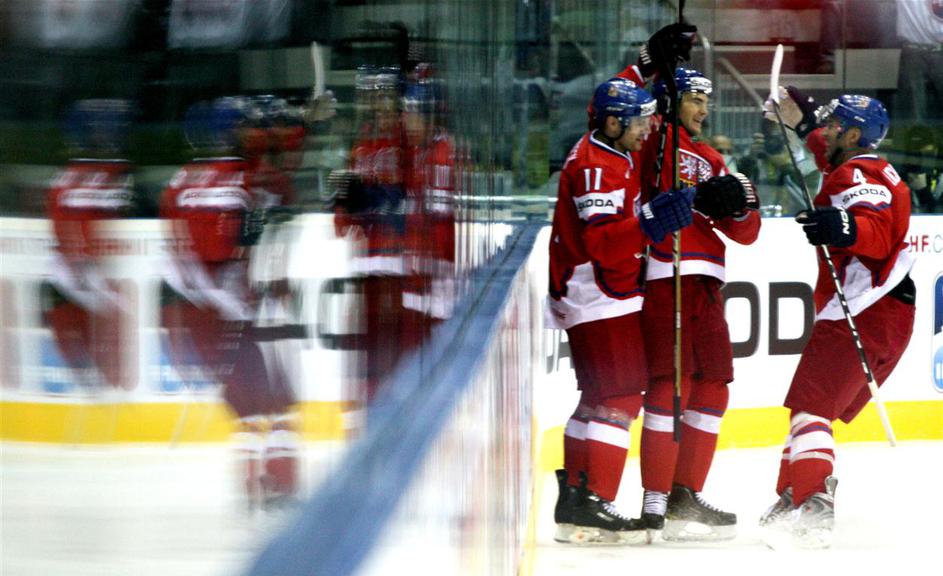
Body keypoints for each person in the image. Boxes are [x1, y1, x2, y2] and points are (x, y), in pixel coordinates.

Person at [759, 89, 916, 548]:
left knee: (811, 408)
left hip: (865, 307)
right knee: (812, 406)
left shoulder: (857, 173)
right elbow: (831, 165)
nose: (824, 132)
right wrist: (804, 124)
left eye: (832, 126)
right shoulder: (859, 166)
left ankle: (813, 503)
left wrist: (843, 227)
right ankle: (795, 493)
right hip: (881, 310)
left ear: (851, 135)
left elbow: (875, 230)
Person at [548, 77, 694, 545]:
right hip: (597, 294)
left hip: (588, 292)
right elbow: (602, 242)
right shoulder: (597, 166)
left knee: (595, 398)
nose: (647, 128)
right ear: (612, 123)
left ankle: (575, 501)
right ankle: (596, 500)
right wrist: (649, 222)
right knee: (622, 397)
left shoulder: (605, 149)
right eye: (638, 121)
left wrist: (648, 70)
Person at [635, 67, 761, 541]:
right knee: (672, 383)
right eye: (694, 99)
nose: (705, 111)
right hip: (666, 274)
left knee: (714, 385)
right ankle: (655, 496)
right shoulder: (654, 139)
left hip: (707, 283)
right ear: (670, 102)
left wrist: (739, 206)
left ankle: (685, 493)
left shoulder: (712, 157)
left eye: (707, 102)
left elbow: (747, 233)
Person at [160, 97, 300, 510]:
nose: (250, 133)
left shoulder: (181, 181)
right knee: (273, 399)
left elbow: (178, 255)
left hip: (202, 311)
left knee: (247, 404)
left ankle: (255, 484)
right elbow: (233, 243)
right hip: (228, 308)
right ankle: (277, 482)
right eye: (244, 127)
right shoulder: (240, 180)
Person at [45, 99, 137, 392]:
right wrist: (82, 268)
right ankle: (96, 375)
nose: (109, 133)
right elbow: (66, 234)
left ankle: (103, 375)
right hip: (76, 270)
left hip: (86, 269)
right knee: (115, 310)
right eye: (102, 127)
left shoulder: (114, 173)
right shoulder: (73, 178)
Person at [893, 0, 943, 129]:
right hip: (913, 50)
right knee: (912, 113)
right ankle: (914, 137)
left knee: (913, 109)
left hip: (928, 50)